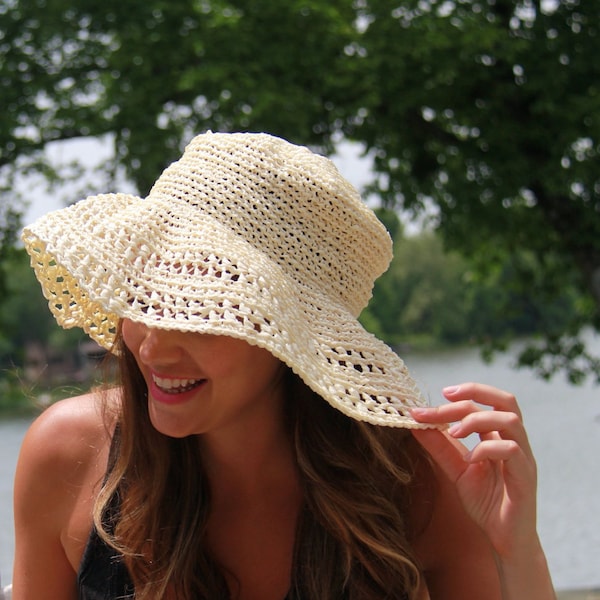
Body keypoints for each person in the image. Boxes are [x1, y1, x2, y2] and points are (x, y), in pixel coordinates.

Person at [13, 132, 555, 599]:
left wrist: (518, 552)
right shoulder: (68, 455)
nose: (153, 345)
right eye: (145, 297)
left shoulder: (417, 480)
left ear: (291, 338)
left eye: (201, 308)